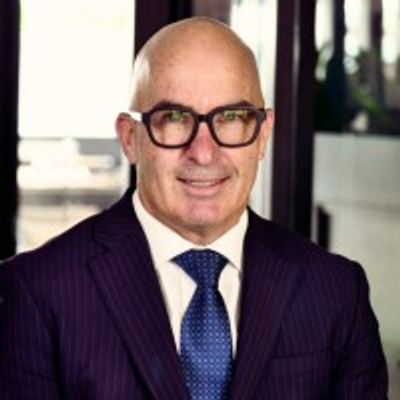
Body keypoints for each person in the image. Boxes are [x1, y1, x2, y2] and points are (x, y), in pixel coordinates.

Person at [0, 17, 388, 400]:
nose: (203, 153)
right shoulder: (36, 293)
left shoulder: (336, 291)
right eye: (174, 119)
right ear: (131, 138)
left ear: (263, 134)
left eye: (231, 118)